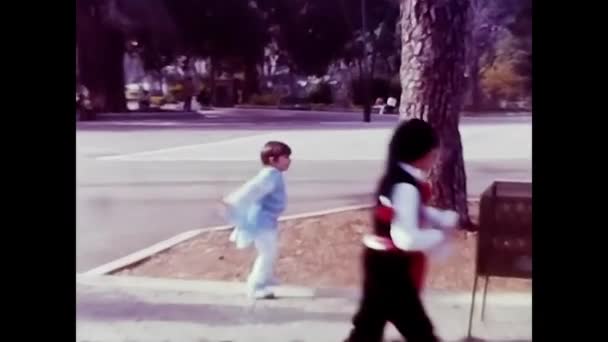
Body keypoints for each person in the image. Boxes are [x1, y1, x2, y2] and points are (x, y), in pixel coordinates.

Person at [345, 119, 459, 342]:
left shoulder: (394, 178)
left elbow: (410, 213)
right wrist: (439, 234)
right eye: (434, 154)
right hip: (391, 268)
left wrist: (441, 217)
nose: (435, 159)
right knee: (419, 331)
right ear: (422, 153)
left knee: (368, 328)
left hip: (379, 261)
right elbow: (406, 238)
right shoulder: (406, 187)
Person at [223, 141, 292, 299]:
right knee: (267, 254)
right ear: (272, 159)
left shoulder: (274, 174)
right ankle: (256, 286)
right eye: (285, 157)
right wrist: (232, 201)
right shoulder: (270, 175)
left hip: (265, 220)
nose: (289, 160)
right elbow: (251, 189)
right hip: (261, 221)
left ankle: (266, 277)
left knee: (269, 251)